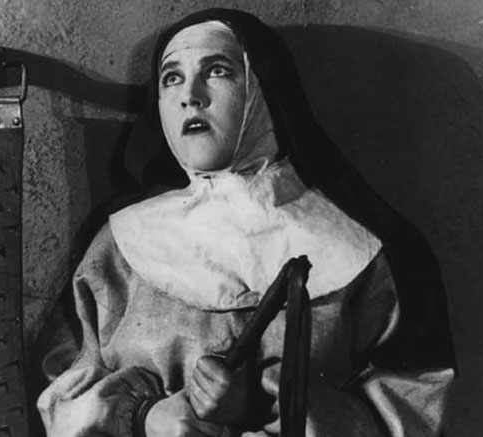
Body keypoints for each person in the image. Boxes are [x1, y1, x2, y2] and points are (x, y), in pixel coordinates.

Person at [38, 8, 455, 437]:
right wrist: (144, 416)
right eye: (172, 78)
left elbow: (413, 407)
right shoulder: (120, 244)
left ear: (261, 90)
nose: (190, 96)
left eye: (217, 71)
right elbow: (63, 385)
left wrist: (256, 406)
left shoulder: (363, 250)